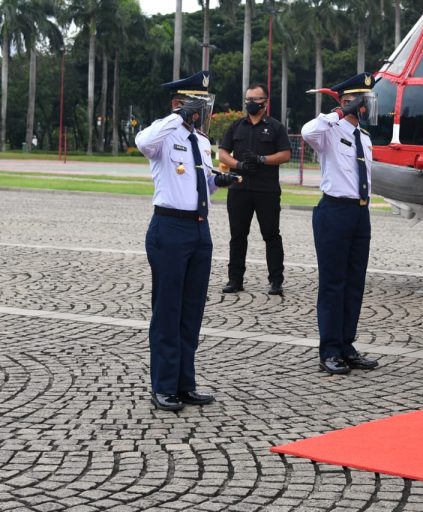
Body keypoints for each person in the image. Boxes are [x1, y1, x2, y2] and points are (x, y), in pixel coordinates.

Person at [135, 71, 239, 411]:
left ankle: (185, 382)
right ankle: (164, 385)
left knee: (191, 310)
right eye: (196, 105)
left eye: (203, 105)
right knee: (168, 310)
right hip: (169, 229)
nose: (201, 112)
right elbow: (142, 143)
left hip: (199, 229)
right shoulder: (163, 135)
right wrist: (175, 117)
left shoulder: (201, 141)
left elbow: (202, 186)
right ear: (179, 104)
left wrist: (220, 181)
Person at [301, 72, 380, 375]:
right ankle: (330, 350)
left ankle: (347, 345)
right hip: (334, 211)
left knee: (354, 283)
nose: (367, 108)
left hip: (360, 213)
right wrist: (339, 110)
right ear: (350, 103)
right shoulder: (330, 132)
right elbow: (308, 131)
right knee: (333, 284)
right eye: (363, 102)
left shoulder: (364, 138)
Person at [218, 84, 291, 295]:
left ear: (265, 103)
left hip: (266, 190)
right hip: (239, 188)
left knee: (271, 235)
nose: (250, 103)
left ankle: (276, 281)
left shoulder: (276, 127)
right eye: (248, 99)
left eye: (255, 99)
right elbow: (222, 153)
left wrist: (262, 159)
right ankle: (235, 279)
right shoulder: (236, 126)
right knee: (238, 235)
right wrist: (238, 164)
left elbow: (285, 154)